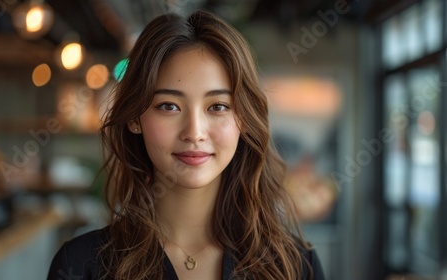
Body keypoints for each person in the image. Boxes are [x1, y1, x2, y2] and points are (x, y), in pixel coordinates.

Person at [47, 10, 325, 280]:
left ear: (244, 119)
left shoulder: (295, 266)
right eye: (169, 106)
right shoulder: (81, 266)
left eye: (217, 106)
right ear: (135, 118)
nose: (194, 133)